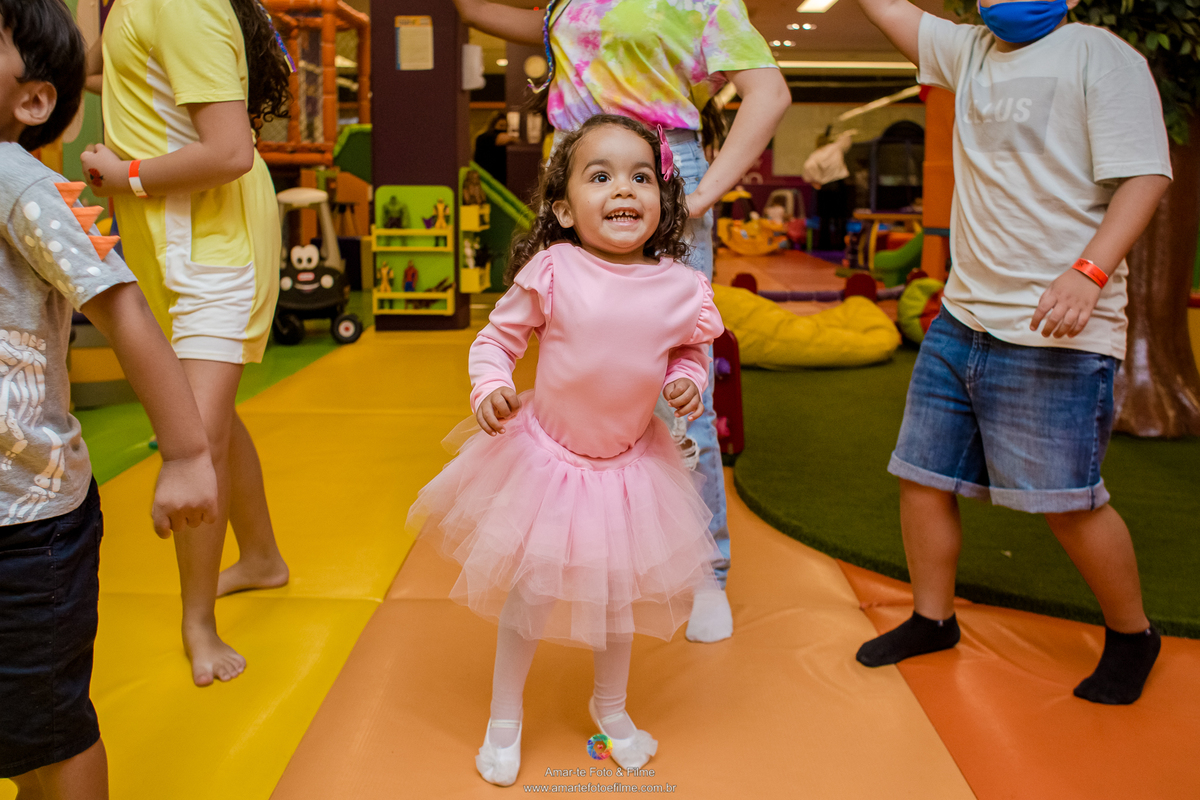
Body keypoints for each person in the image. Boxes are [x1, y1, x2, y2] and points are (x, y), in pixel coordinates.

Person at [855, 0, 1172, 704]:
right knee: (922, 475)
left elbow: (1145, 177)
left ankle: (1132, 634)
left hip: (1056, 325)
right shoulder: (966, 52)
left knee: (1069, 503)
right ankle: (932, 619)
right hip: (962, 318)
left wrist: (1088, 272)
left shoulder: (1100, 56)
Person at [452, 0, 791, 643]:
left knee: (677, 383)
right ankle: (584, 556)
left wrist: (699, 193)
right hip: (583, 172)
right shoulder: (564, 3)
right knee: (578, 367)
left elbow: (768, 92)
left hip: (659, 171)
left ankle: (706, 572)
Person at [407, 115, 724, 786]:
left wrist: (686, 380)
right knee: (530, 595)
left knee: (616, 602)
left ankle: (610, 708)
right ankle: (504, 717)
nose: (623, 190)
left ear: (664, 200)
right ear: (562, 206)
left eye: (641, 177)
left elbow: (693, 350)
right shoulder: (554, 269)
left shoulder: (680, 287)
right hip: (546, 464)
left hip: (630, 469)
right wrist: (490, 385)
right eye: (600, 176)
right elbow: (496, 341)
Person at [0, 1, 218, 796]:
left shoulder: (22, 186)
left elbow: (123, 306)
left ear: (32, 101)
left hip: (27, 527)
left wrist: (189, 454)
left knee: (47, 733)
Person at [80, 0, 292, 687]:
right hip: (172, 241)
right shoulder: (134, 6)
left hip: (212, 246)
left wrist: (126, 177)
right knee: (213, 417)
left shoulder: (176, 2)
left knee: (196, 440)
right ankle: (260, 558)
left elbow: (230, 152)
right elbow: (87, 67)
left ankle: (197, 624)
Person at [473, 112, 511, 185]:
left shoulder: (483, 137)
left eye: (505, 126)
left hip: (497, 177)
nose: (503, 129)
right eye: (501, 125)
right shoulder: (484, 138)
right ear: (493, 125)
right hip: (486, 177)